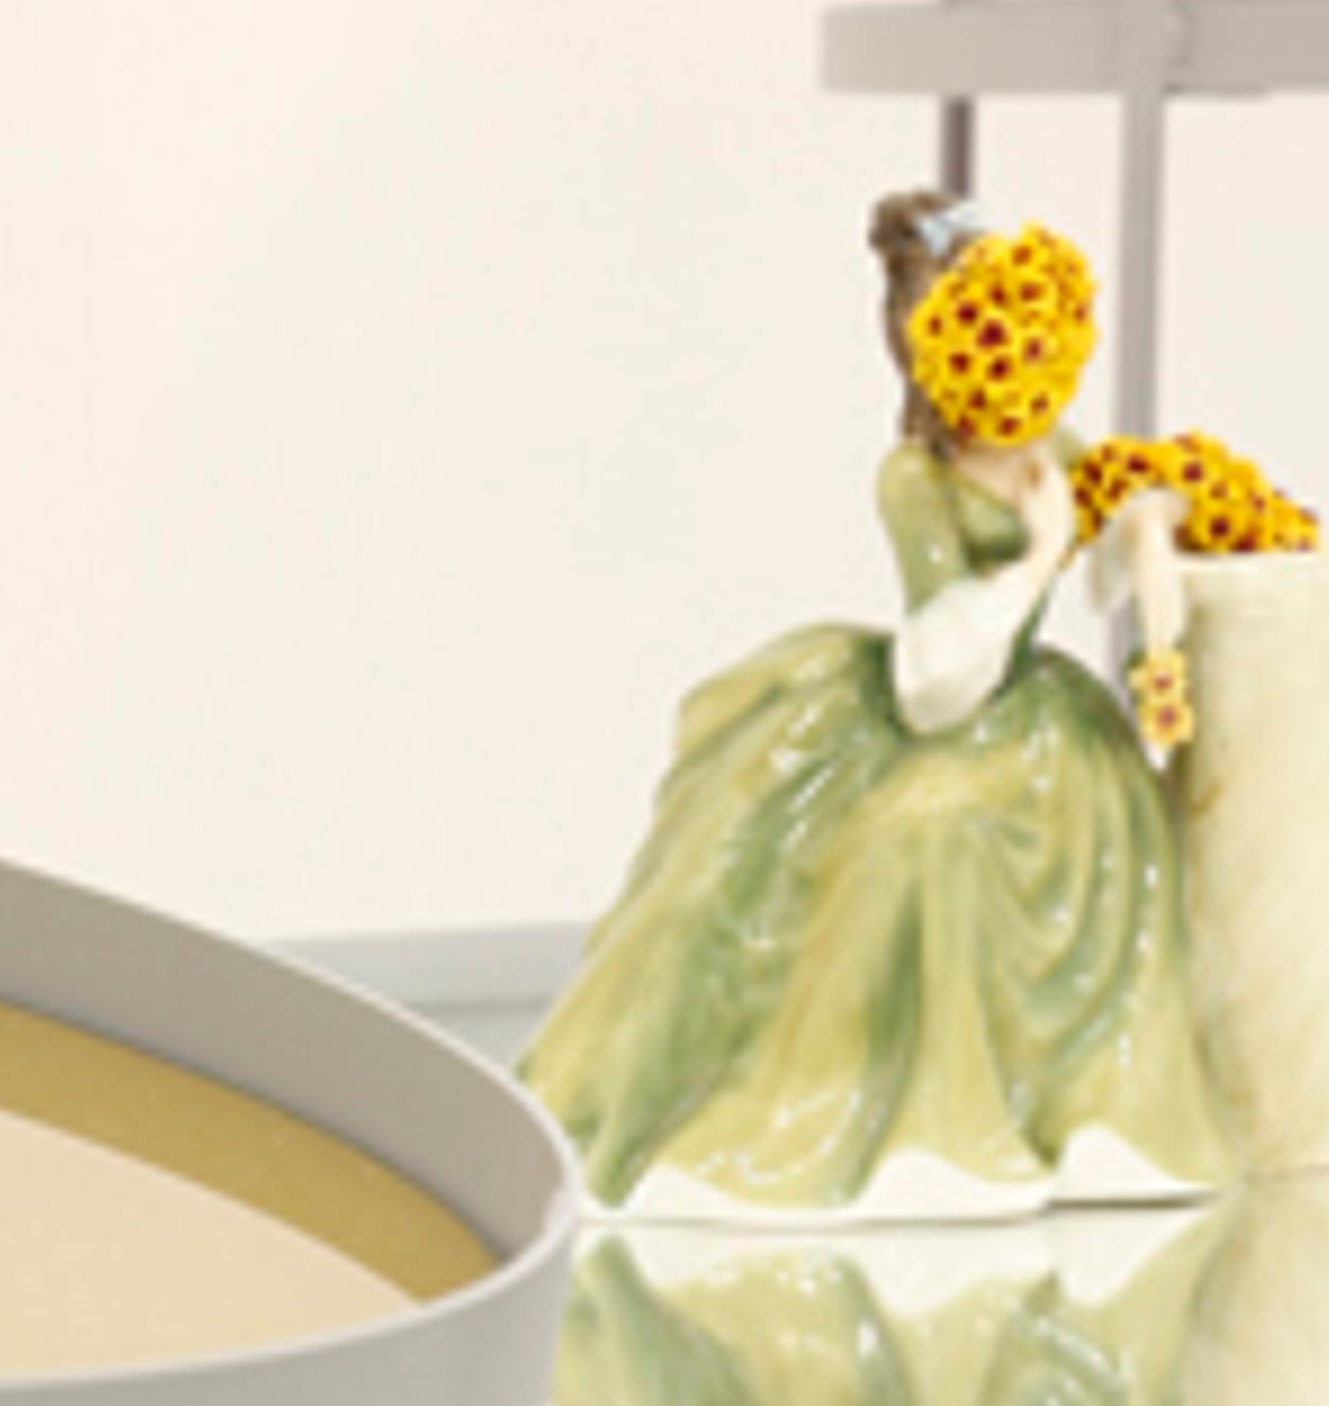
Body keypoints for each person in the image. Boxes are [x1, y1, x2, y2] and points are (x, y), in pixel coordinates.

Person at [522, 200, 1233, 1213]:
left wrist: (1149, 551)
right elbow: (933, 683)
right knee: (875, 834)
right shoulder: (914, 479)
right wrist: (1039, 554)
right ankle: (881, 1112)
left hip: (1036, 720)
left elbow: (1121, 541)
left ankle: (1079, 1107)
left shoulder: (1054, 448)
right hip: (942, 692)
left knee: (1060, 829)